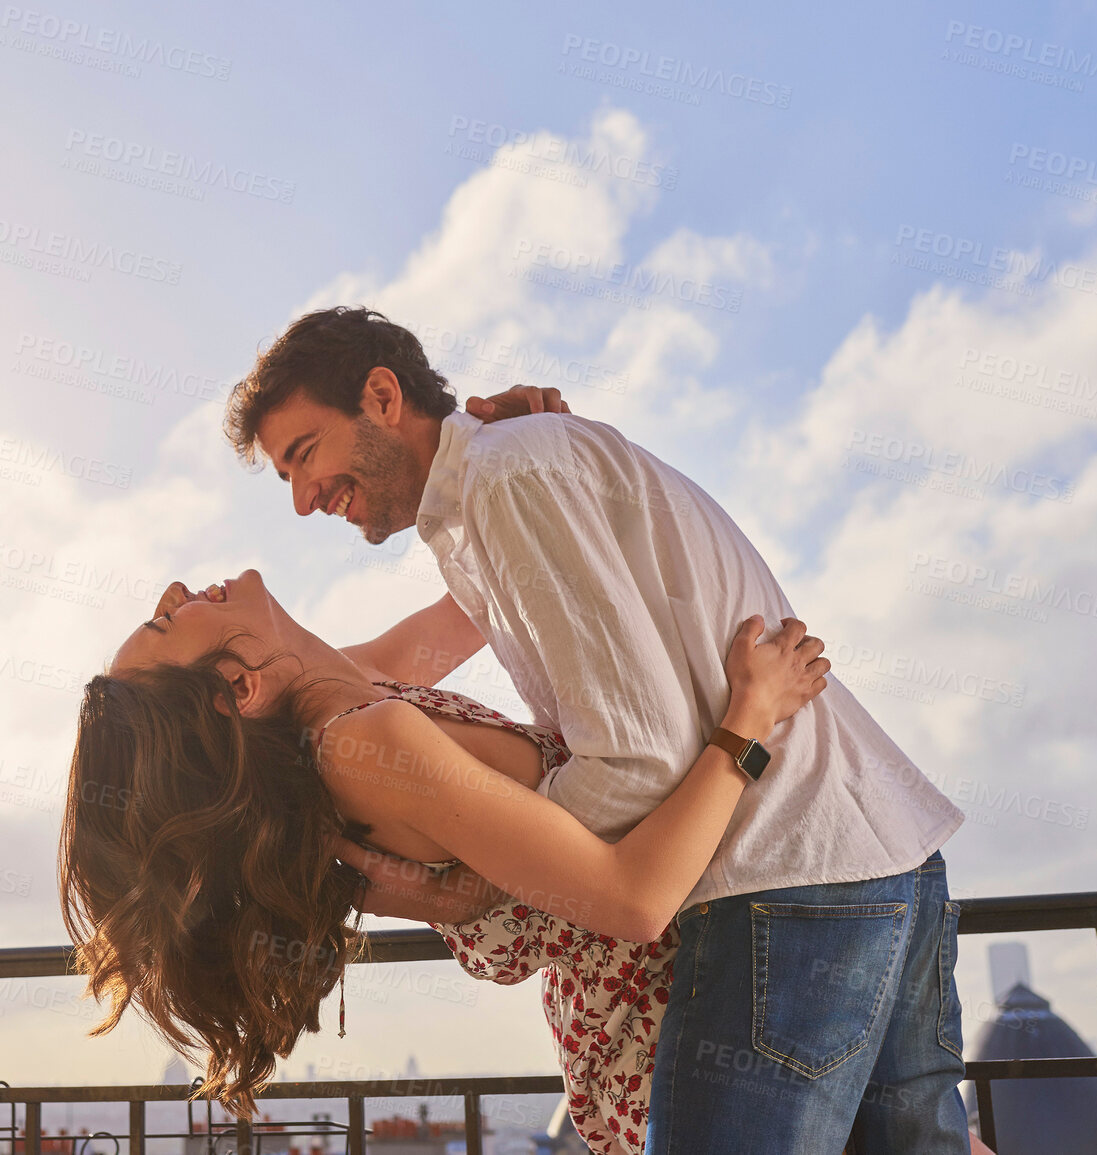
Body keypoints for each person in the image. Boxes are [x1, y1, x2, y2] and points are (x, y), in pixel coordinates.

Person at [222, 307, 973, 1155]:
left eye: (303, 454)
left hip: (784, 881)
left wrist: (507, 876)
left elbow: (634, 763)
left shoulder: (510, 480)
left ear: (383, 397)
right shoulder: (500, 488)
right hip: (874, 852)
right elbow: (446, 646)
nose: (300, 499)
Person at [58, 569, 830, 1127]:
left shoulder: (350, 688)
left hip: (694, 992)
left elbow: (482, 592)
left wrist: (517, 446)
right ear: (238, 686)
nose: (172, 590)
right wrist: (751, 719)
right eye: (165, 621)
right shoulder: (361, 748)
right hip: (668, 1017)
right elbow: (634, 898)